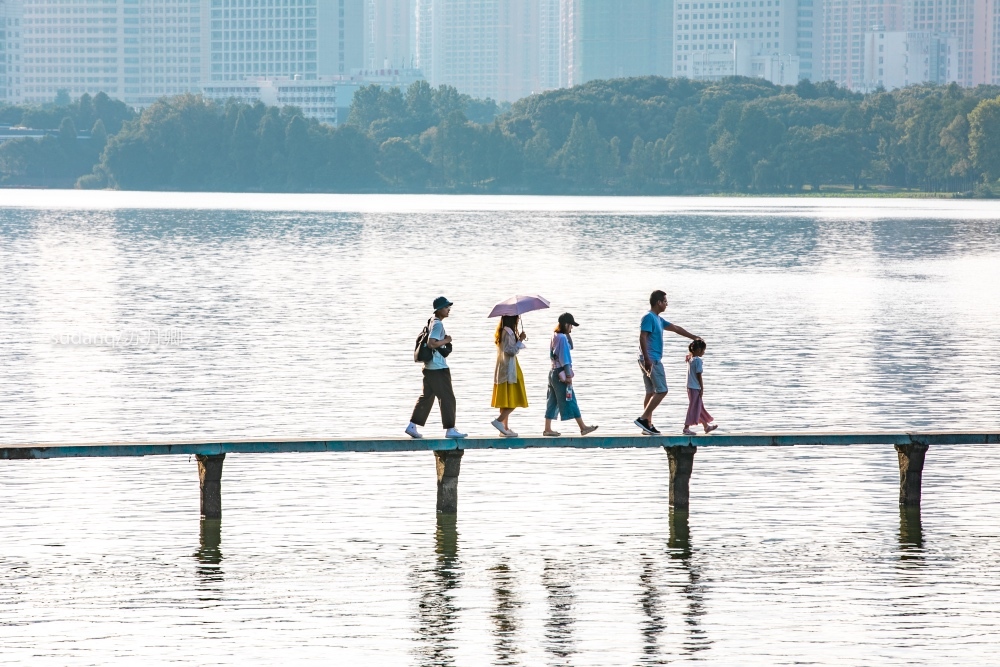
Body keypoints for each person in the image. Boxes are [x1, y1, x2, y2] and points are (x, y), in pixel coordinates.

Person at [635, 290, 701, 435]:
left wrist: (693, 337)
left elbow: (676, 328)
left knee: (650, 391)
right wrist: (647, 359)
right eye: (665, 301)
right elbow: (642, 337)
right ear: (658, 302)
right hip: (651, 359)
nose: (666, 304)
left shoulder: (658, 319)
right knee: (662, 390)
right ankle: (643, 418)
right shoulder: (648, 317)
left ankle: (647, 425)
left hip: (649, 359)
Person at [406, 296, 468, 439]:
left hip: (429, 367)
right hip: (438, 368)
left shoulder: (431, 321)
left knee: (426, 397)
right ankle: (450, 429)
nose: (449, 310)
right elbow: (431, 343)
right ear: (439, 310)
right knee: (447, 398)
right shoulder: (438, 324)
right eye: (446, 307)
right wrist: (447, 340)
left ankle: (412, 426)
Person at [544, 312, 599, 437]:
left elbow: (571, 347)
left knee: (552, 401)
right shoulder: (562, 338)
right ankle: (583, 427)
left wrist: (567, 333)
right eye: (570, 325)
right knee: (571, 399)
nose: (572, 328)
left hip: (553, 373)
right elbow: (565, 359)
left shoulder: (556, 335)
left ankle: (547, 428)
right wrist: (568, 376)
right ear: (566, 324)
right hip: (561, 374)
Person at [491, 314, 528, 437]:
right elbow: (510, 350)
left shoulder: (504, 331)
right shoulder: (508, 332)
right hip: (509, 368)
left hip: (505, 367)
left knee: (506, 399)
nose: (518, 320)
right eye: (517, 318)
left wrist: (518, 340)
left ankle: (504, 428)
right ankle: (499, 421)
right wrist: (520, 340)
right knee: (515, 397)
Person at [683, 339, 718, 435]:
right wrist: (702, 388)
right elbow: (699, 375)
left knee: (699, 408)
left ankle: (706, 426)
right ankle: (686, 428)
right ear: (698, 350)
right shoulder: (698, 360)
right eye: (703, 350)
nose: (704, 352)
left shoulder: (690, 359)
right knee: (693, 407)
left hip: (690, 387)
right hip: (695, 387)